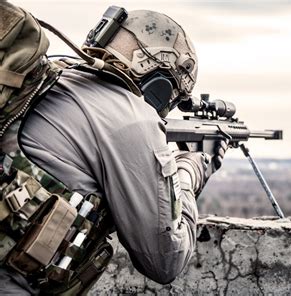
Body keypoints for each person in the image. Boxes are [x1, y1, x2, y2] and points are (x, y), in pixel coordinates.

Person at [0, 4, 226, 294]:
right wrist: (191, 169)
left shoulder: (57, 78)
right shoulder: (133, 119)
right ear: (161, 85)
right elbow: (165, 261)